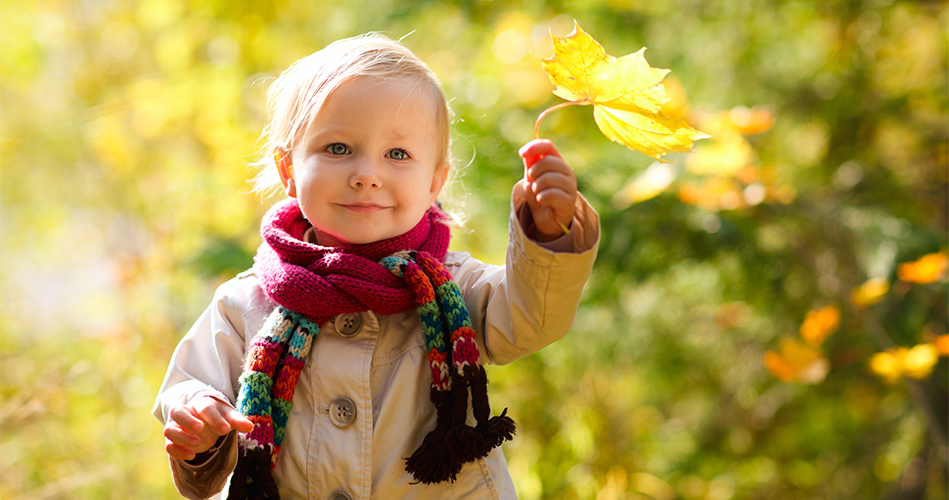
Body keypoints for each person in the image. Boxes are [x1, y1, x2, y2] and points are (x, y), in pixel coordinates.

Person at [153, 33, 599, 500]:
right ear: (288, 170)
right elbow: (192, 386)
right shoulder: (246, 303)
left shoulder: (454, 288)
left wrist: (547, 237)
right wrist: (200, 421)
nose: (367, 173)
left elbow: (532, 316)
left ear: (434, 181)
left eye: (398, 154)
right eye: (339, 148)